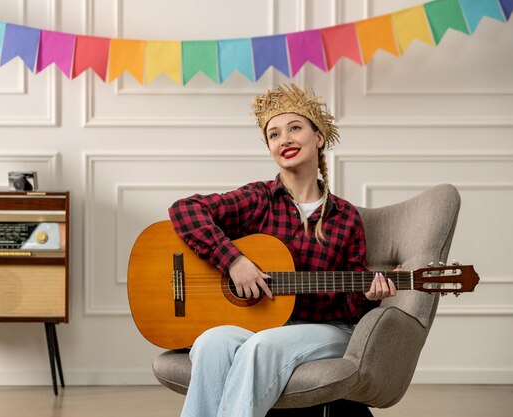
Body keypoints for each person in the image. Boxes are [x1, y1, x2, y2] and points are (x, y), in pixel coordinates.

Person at [167, 83, 398, 417]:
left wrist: (371, 295)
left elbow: (353, 310)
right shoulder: (258, 198)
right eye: (274, 134)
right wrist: (233, 261)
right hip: (269, 324)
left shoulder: (345, 216)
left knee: (261, 348)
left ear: (318, 138)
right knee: (210, 343)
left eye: (294, 128)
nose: (285, 139)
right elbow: (184, 209)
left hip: (329, 330)